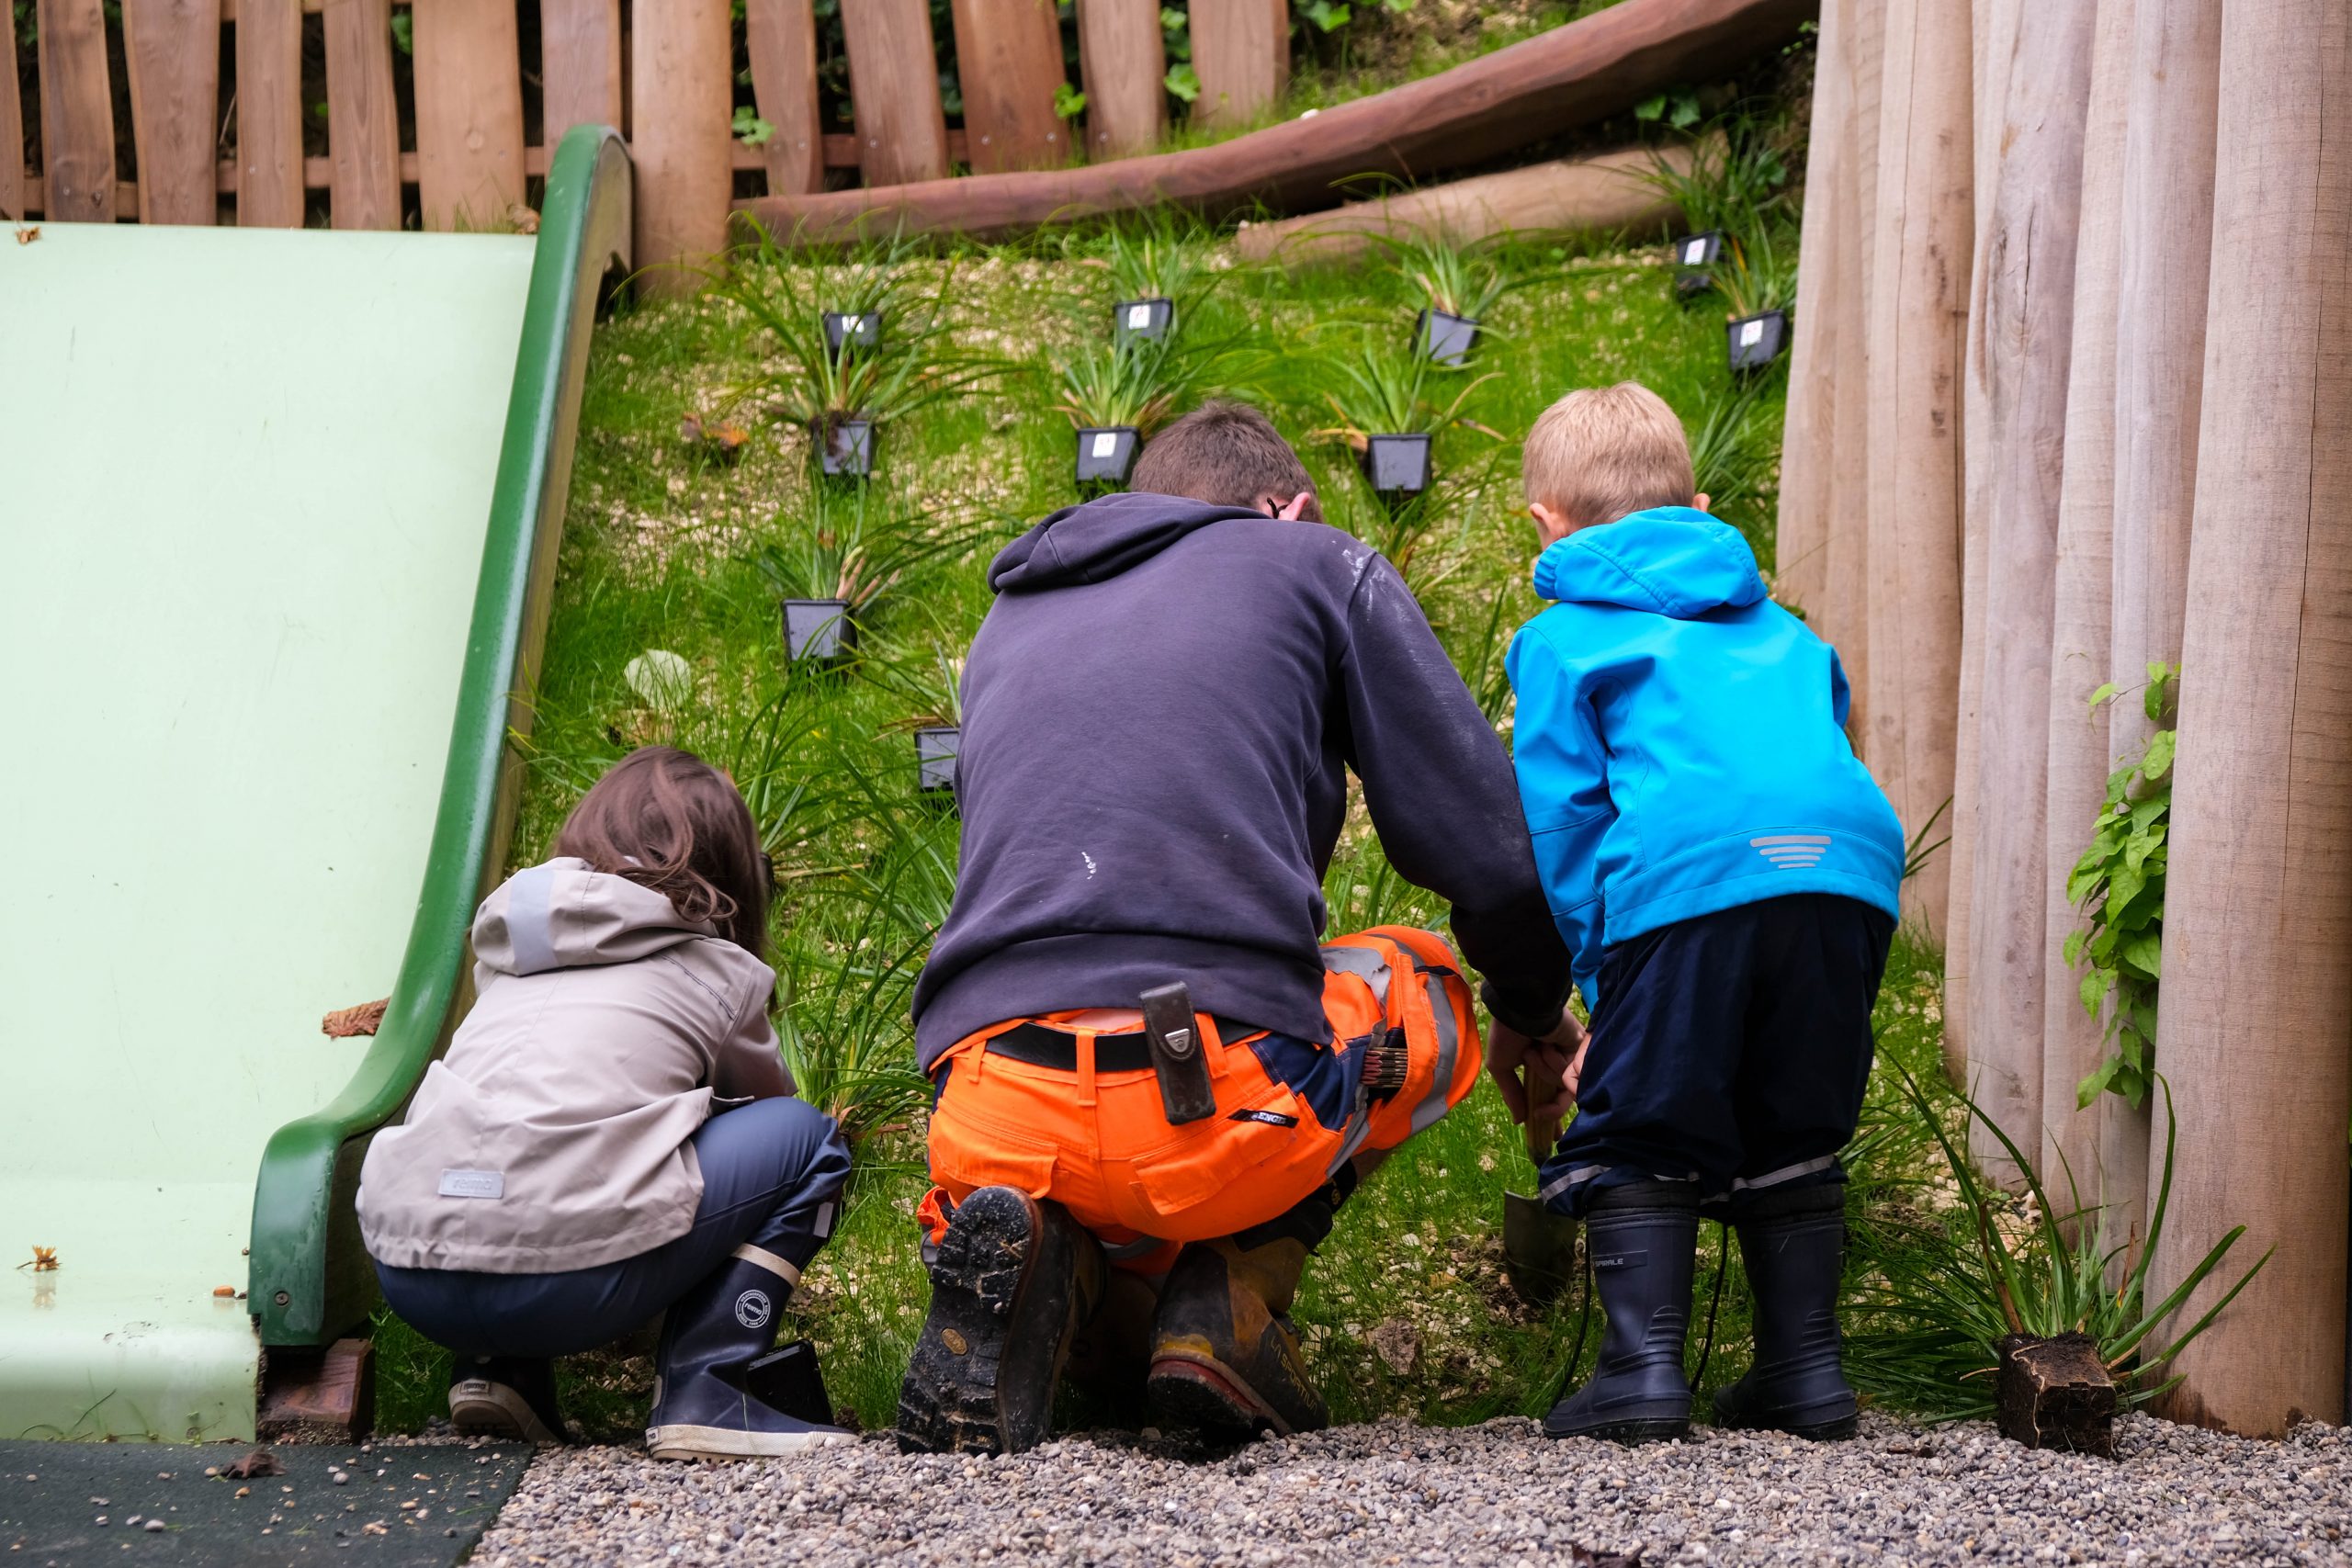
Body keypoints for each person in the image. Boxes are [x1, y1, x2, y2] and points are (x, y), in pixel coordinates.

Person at [898, 401, 1582, 1456]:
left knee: (1090, 1162)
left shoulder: (1011, 615)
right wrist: (1534, 1010)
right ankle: (1236, 1298)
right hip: (1208, 1091)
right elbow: (1490, 858)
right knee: (1427, 982)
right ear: (1290, 509)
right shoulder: (1311, 562)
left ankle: (1057, 1263)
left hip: (986, 1099)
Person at [1498, 381, 1905, 1444]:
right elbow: (1817, 757)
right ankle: (1805, 1376)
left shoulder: (1560, 640)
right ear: (1697, 501)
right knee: (1794, 1108)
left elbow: (1566, 820)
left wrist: (1607, 993)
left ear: (1544, 522)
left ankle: (1640, 1375)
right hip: (1845, 872)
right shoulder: (1789, 632)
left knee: (1644, 1114)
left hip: (1686, 871)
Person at [356, 746, 854, 1459]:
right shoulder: (715, 967)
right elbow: (768, 1109)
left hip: (413, 1267)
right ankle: (706, 1385)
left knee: (523, 1137)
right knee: (809, 1140)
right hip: (566, 1287)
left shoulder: (509, 953)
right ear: (727, 865)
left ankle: (499, 1372)